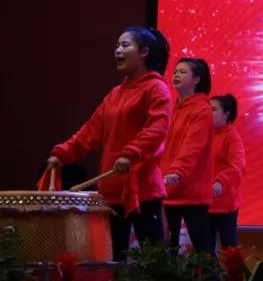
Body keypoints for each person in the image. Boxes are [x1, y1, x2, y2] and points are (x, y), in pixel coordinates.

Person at [47, 27, 173, 261]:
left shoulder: (156, 88)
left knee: (154, 261)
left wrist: (131, 153)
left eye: (125, 45)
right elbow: (90, 131)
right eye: (117, 46)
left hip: (143, 188)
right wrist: (63, 154)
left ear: (144, 51)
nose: (118, 50)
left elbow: (157, 129)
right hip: (113, 188)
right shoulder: (115, 94)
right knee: (114, 258)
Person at [162, 58, 215, 255]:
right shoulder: (173, 109)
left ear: (196, 79)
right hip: (168, 189)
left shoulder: (202, 109)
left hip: (191, 190)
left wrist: (177, 172)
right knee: (168, 251)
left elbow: (193, 146)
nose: (176, 75)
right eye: (175, 71)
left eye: (183, 72)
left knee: (203, 250)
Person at [209, 94, 246, 249]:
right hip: (202, 203)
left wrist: (220, 181)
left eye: (213, 109)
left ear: (226, 114)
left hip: (224, 204)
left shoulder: (232, 137)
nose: (208, 112)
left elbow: (237, 165)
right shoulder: (203, 135)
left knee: (229, 249)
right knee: (203, 251)